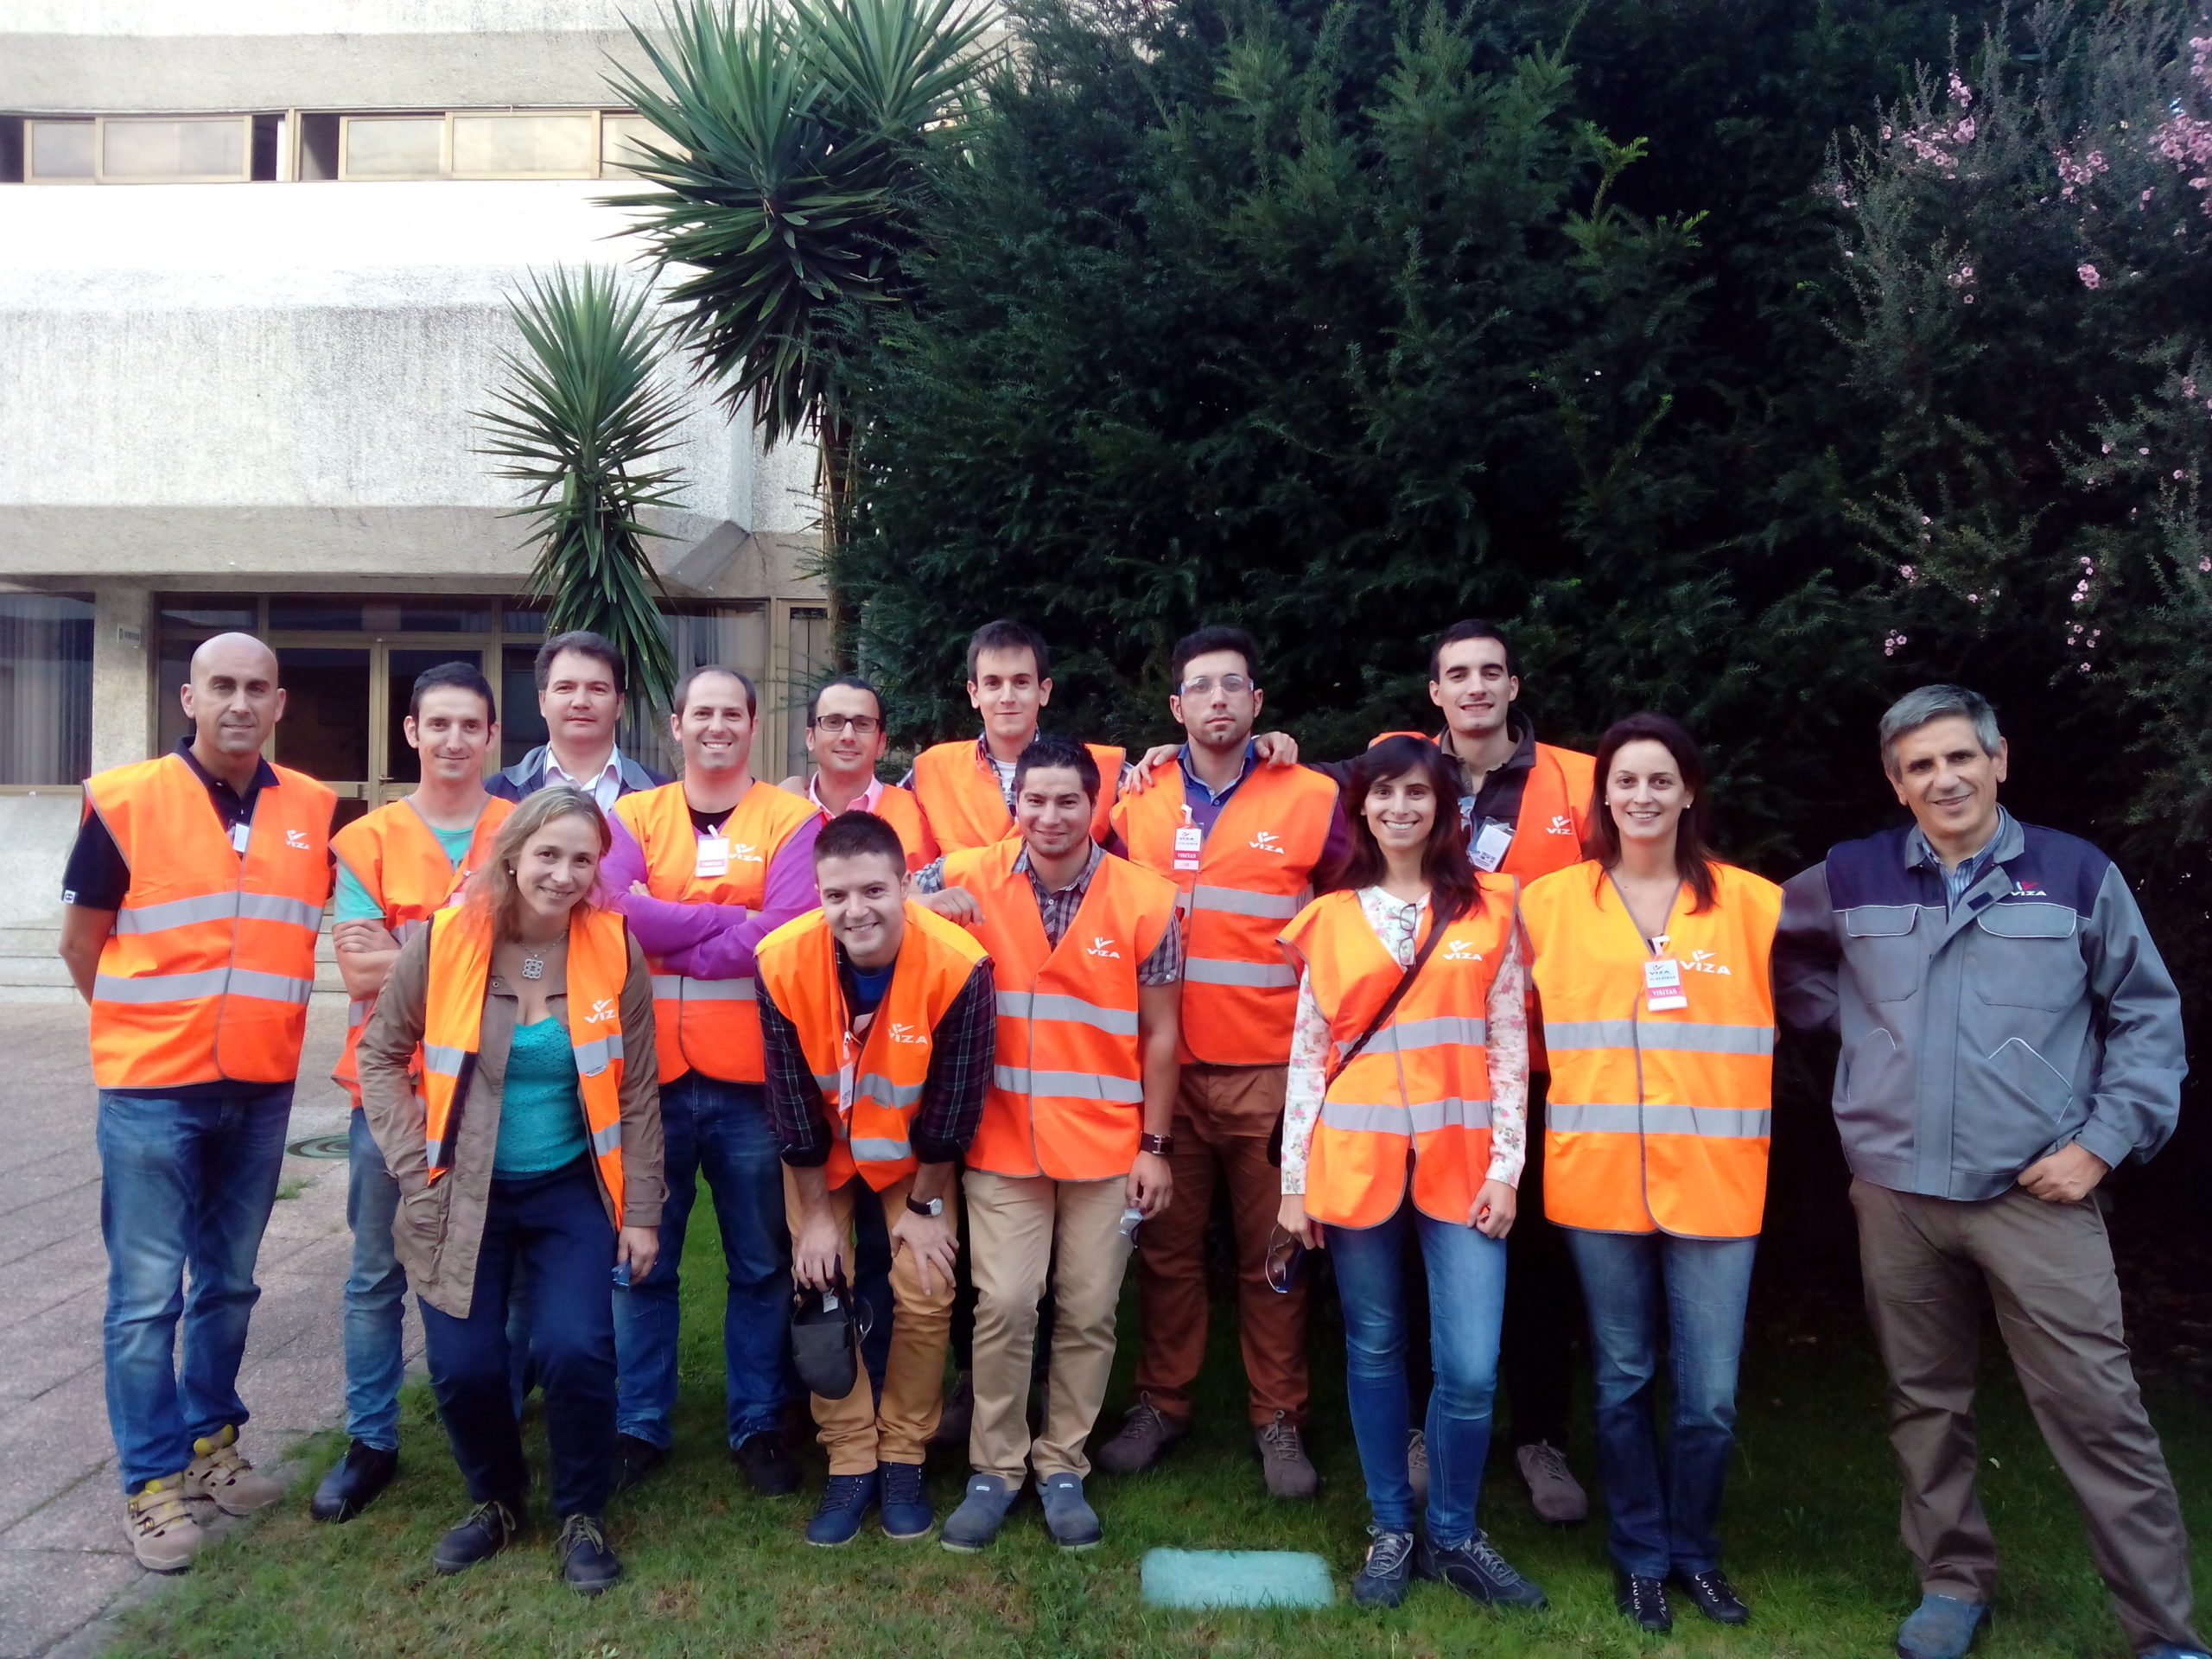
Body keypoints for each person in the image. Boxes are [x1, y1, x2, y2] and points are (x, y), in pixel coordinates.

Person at [1777, 685, 2205, 1659]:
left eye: (1959, 757)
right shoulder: (1848, 875)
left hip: (2036, 1192)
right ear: (1895, 783)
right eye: (1918, 765)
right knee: (1924, 1402)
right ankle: (1952, 1583)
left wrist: (2102, 1143)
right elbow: (1784, 959)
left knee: (2099, 1410)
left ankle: (2164, 1630)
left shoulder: (2073, 874)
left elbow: (2147, 1014)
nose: (1943, 778)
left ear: (1998, 760)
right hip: (1894, 1192)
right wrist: (1862, 1042)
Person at [56, 632, 335, 1572]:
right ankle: (149, 1482)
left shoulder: (312, 808)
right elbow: (81, 941)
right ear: (189, 698)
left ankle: (212, 1442)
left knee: (229, 1282)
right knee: (144, 1299)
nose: (240, 703)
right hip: (151, 1091)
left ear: (281, 703)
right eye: (222, 686)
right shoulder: (127, 801)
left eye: (258, 688)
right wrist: (137, 1029)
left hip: (258, 1087)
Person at [358, 786, 664, 1594]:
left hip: (568, 1189)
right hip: (462, 1191)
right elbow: (380, 1056)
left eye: (581, 860)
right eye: (548, 855)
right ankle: (495, 1499)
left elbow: (636, 1096)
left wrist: (641, 1213)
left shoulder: (614, 947)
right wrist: (405, 1159)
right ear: (514, 855)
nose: (563, 874)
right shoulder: (448, 940)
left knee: (576, 1350)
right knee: (464, 1368)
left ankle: (580, 1512)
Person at [1520, 713, 1780, 1634]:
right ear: (1602, 799)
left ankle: (1694, 1551)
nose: (1640, 796)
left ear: (1688, 792)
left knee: (1708, 1395)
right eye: (1624, 782)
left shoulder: (1755, 904)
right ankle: (1637, 1553)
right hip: (1597, 1180)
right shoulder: (1546, 903)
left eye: (1658, 780)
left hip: (1715, 1184)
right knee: (1621, 1379)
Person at [1274, 734, 1544, 1614]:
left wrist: (1508, 1169)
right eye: (1383, 793)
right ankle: (1393, 1526)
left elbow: (1509, 1045)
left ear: (1442, 808)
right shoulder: (1326, 917)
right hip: (1353, 1167)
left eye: (1417, 794)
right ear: (1362, 807)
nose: (1400, 808)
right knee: (1375, 1349)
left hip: (1464, 1169)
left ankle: (1457, 1532)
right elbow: (1306, 1059)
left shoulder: (1491, 908)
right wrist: (1291, 1189)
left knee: (1468, 1365)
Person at [913, 735, 1181, 1552]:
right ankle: (995, 1469)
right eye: (1036, 800)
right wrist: (930, 909)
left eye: (1070, 801)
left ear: (1095, 807)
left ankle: (1062, 1464)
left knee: (1091, 1310)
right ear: (1015, 804)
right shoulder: (964, 875)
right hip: (1003, 1139)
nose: (1052, 816)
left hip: (1106, 1147)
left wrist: (1155, 1145)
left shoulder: (1149, 899)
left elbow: (1163, 1034)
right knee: (1001, 1306)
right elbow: (874, 908)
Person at [1097, 625, 1341, 1498]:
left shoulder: (1313, 795)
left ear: (1257, 702)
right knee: (1165, 1252)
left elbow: (1351, 913)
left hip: (1269, 1069)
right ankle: (1162, 1403)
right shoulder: (1136, 798)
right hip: (1162, 1070)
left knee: (1273, 1253)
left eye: (1232, 686)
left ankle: (1279, 1419)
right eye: (1199, 688)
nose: (1217, 701)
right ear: (1176, 707)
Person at [1371, 619, 1597, 1525]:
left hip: (1545, 1063)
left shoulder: (1576, 781)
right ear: (1434, 692)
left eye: (1489, 673)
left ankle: (1540, 1439)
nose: (1473, 687)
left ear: (1513, 685)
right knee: (1425, 1251)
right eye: (1455, 674)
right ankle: (1427, 1429)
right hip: (1424, 1063)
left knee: (1541, 1259)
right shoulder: (1400, 773)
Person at [600, 666, 822, 1496]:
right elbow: (610, 910)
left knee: (760, 1263)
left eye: (733, 712)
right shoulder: (633, 815)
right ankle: (638, 1424)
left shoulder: (793, 820)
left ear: (752, 725)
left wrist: (669, 926)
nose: (717, 726)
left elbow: (788, 935)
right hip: (648, 1080)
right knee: (640, 1260)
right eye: (704, 713)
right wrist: (732, 919)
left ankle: (759, 1422)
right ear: (676, 724)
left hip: (751, 1083)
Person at [756, 812, 997, 1544]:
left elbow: (955, 1106)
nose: (854, 912)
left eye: (872, 891)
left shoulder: (959, 964)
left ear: (905, 886)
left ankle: (903, 1452)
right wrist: (817, 1219)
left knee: (926, 1289)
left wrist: (924, 1207)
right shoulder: (779, 961)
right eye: (835, 896)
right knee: (821, 1287)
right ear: (818, 896)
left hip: (913, 1155)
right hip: (822, 1153)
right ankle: (849, 1458)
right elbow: (792, 1105)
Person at [315, 662, 514, 1523]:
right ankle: (371, 1440)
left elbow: (538, 956)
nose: (453, 740)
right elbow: (354, 967)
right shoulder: (367, 840)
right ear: (411, 733)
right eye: (438, 724)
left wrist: (410, 946)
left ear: (492, 736)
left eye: (469, 725)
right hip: (389, 1088)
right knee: (374, 1274)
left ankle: (499, 1416)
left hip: (501, 1087)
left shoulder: (520, 829)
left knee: (499, 1267)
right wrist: (469, 941)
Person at [905, 620, 1127, 851]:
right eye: (993, 683)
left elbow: (1162, 816)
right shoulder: (932, 770)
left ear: (1043, 691)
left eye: (1021, 682)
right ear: (975, 693)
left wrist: (1168, 754)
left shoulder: (1105, 770)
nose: (1007, 696)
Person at [490, 630, 668, 805]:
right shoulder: (495, 795)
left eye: (597, 689)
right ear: (542, 701)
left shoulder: (662, 797)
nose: (581, 702)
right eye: (565, 688)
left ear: (619, 704)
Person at [779, 675, 938, 869]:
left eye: (863, 724)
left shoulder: (920, 818)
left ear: (881, 743)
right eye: (833, 722)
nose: (848, 736)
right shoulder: (780, 814)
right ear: (810, 737)